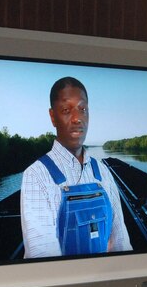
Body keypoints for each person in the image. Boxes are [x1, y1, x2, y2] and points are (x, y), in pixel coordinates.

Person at [20, 76, 131, 258]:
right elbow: (42, 255)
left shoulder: (103, 172)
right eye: (66, 110)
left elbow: (120, 242)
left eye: (83, 109)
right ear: (52, 116)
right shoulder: (37, 175)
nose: (77, 118)